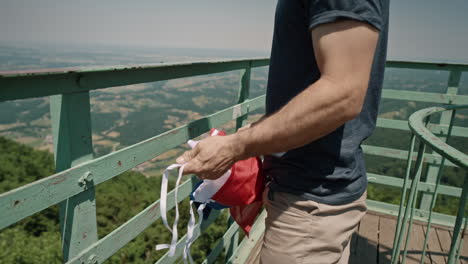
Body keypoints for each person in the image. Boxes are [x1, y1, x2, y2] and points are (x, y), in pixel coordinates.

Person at [177, 0, 389, 263]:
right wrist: (258, 131)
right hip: (318, 195)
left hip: (311, 205)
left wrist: (236, 146)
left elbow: (342, 94)